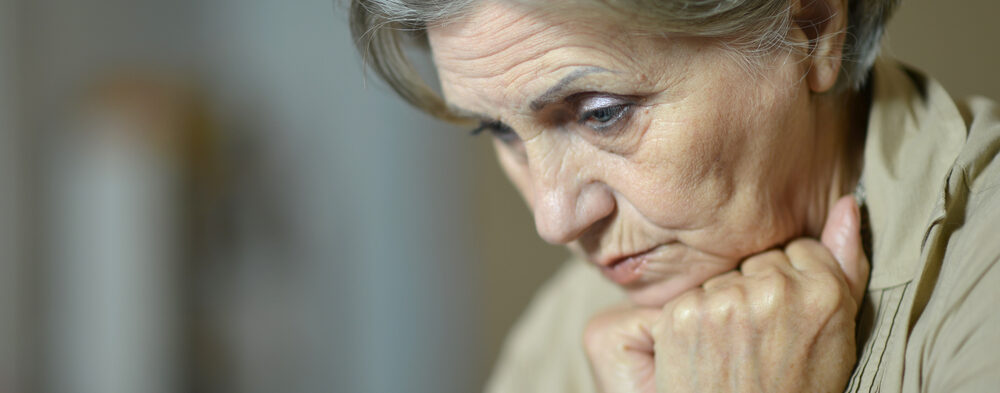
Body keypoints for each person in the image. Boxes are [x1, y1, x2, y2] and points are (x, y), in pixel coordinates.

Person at [349, 0, 1000, 391]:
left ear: (809, 25)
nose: (554, 219)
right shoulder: (562, 331)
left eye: (602, 113)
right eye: (500, 130)